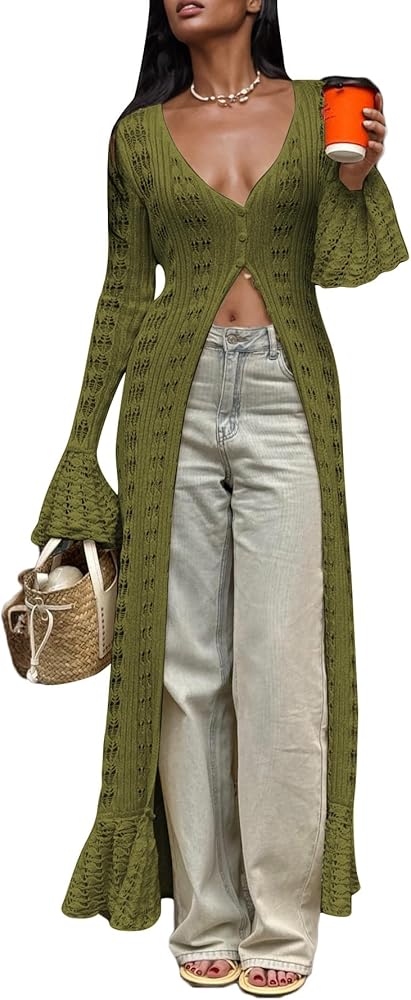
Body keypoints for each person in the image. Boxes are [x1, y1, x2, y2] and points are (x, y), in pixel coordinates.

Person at [29, 1, 408, 997]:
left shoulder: (324, 108)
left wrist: (357, 178)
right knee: (185, 667)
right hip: (170, 396)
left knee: (282, 667)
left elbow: (350, 265)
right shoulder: (138, 135)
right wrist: (79, 445)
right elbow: (122, 290)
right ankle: (206, 915)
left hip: (288, 396)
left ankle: (280, 927)